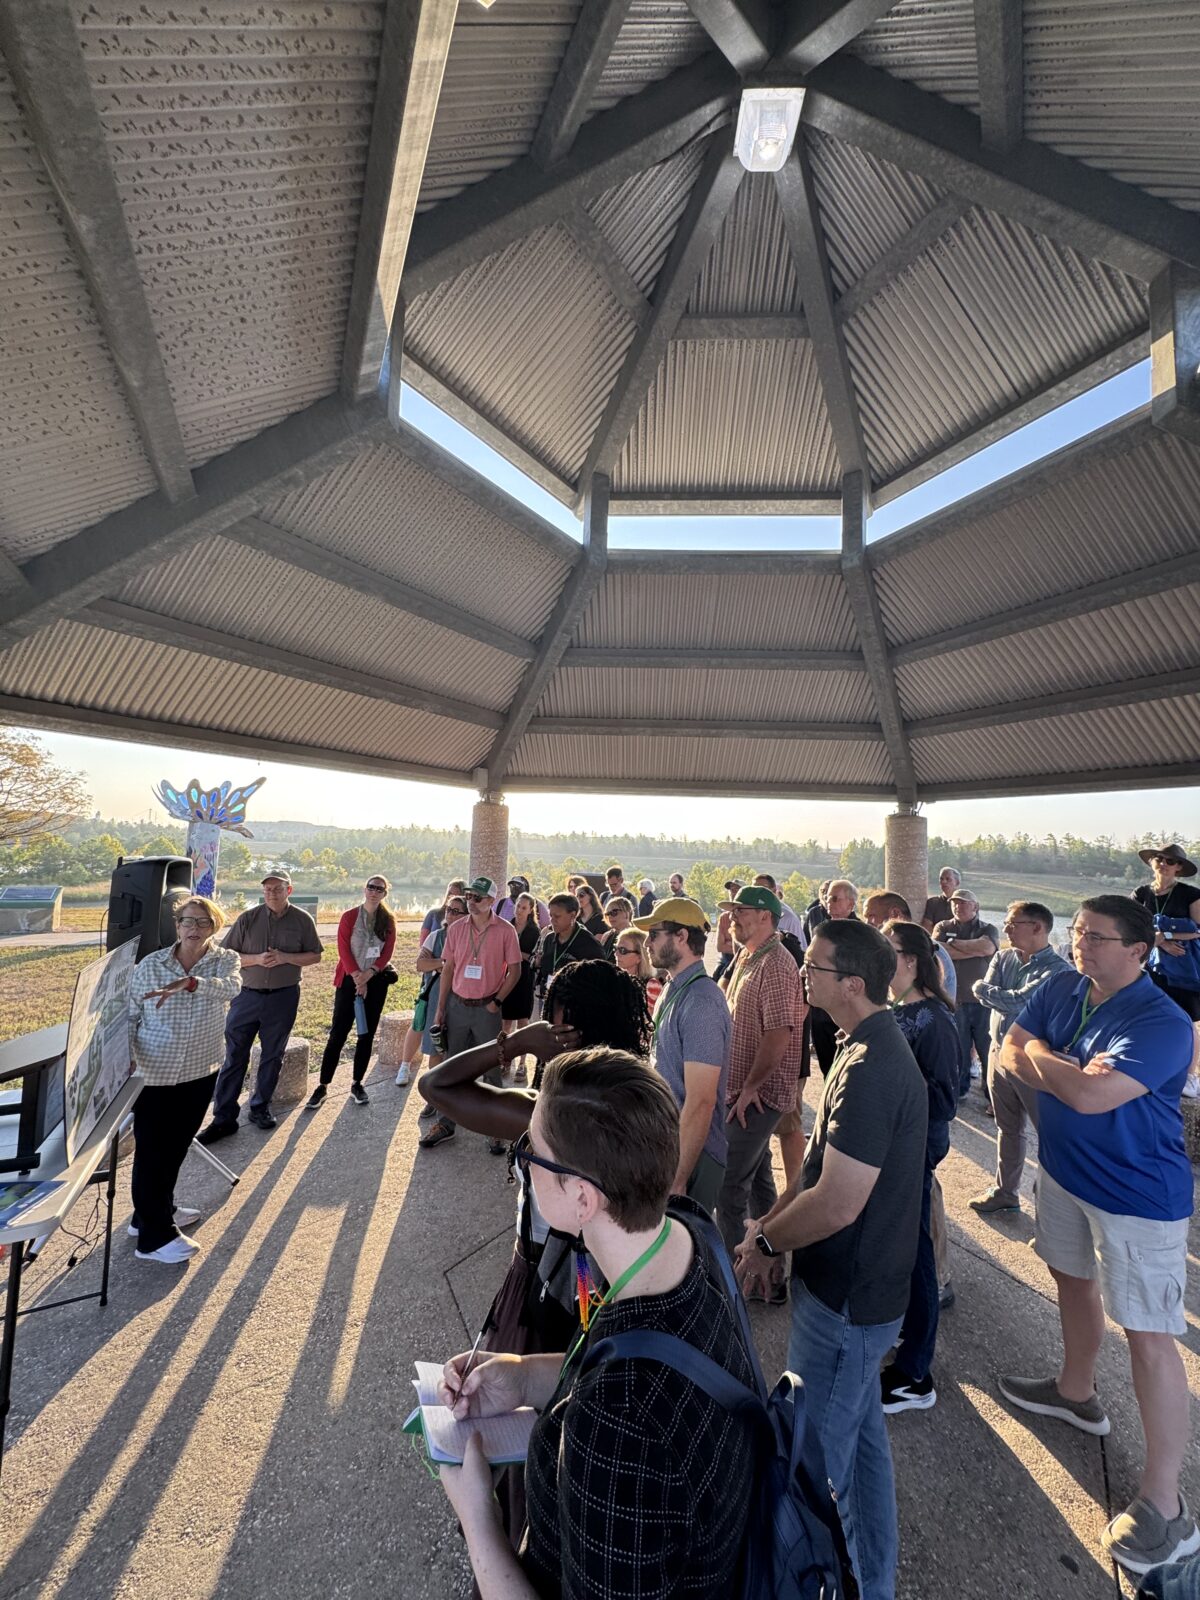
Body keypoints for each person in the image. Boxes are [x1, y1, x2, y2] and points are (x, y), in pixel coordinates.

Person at [435, 1050, 758, 1600]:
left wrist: (479, 1520)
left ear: (582, 1197)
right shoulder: (687, 1235)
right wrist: (521, 1376)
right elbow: (640, 1352)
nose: (523, 1164)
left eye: (531, 1152)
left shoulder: (615, 1427)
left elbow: (632, 1393)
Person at [996, 896, 1198, 1579]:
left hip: (1138, 1198)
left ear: (1139, 951)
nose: (1081, 945)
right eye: (1078, 932)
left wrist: (1040, 1056)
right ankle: (1076, 1391)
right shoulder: (1060, 985)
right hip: (1064, 1174)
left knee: (1148, 1334)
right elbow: (1007, 1047)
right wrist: (1053, 1060)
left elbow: (1088, 1098)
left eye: (1098, 937)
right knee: (1069, 1279)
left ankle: (1166, 1505)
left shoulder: (1162, 1021)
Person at [734, 918, 926, 1600]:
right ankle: (873, 1585)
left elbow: (841, 1202)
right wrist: (768, 1226)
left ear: (850, 983)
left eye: (812, 968)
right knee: (864, 1451)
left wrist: (764, 1244)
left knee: (817, 1472)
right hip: (846, 1297)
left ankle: (817, 1582)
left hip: (848, 1303)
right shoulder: (859, 1043)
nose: (802, 974)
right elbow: (814, 1176)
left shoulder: (874, 1066)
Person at [127, 895, 242, 1263]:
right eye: (187, 922)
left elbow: (231, 988)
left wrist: (192, 984)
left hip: (199, 1071)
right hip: (154, 1072)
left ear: (215, 927)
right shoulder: (151, 965)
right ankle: (153, 1239)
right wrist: (125, 1060)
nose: (194, 929)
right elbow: (129, 1016)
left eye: (203, 923)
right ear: (176, 925)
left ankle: (150, 1214)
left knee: (174, 1148)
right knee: (151, 1152)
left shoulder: (225, 960)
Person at [878, 919, 959, 1414]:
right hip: (894, 1147)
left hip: (913, 1148)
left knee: (918, 1256)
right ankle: (908, 1332)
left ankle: (915, 1374)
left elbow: (945, 1099)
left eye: (888, 951)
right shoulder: (900, 1010)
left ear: (909, 960)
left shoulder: (934, 1019)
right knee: (904, 1251)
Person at [714, 885, 805, 1303]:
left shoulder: (778, 964)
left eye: (742, 912)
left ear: (766, 916)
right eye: (732, 912)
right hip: (744, 1091)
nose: (733, 919)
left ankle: (739, 1279)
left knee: (728, 1188)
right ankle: (773, 1277)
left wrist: (750, 1086)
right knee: (759, 1181)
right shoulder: (749, 955)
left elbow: (779, 1033)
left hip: (759, 1095)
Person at [198, 871, 323, 1143]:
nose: (271, 894)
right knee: (234, 1056)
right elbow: (227, 958)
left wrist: (285, 957)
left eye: (277, 889)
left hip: (283, 997)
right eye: (267, 889)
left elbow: (315, 956)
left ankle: (259, 1107)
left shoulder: (303, 920)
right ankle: (223, 1118)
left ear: (289, 891)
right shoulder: (248, 918)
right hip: (246, 996)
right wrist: (256, 959)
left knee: (272, 1055)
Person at [969, 901, 1070, 1214]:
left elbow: (1018, 1002)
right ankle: (1006, 1192)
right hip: (997, 1051)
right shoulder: (1004, 956)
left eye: (1013, 924)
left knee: (1049, 1139)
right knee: (1007, 1127)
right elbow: (983, 991)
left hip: (1033, 1061)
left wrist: (988, 991)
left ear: (1038, 927)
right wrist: (989, 992)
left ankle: (1048, 1213)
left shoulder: (1058, 971)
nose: (1006, 929)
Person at [635, 897, 730, 1212]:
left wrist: (677, 1179)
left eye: (654, 933)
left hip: (692, 1153)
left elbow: (702, 1101)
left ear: (682, 937)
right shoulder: (673, 987)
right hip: (670, 1143)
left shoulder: (702, 1001)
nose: (647, 942)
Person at [423, 876, 522, 1153]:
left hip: (487, 1008)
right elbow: (448, 969)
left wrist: (497, 1002)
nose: (471, 902)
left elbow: (515, 971)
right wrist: (440, 1010)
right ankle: (446, 1123)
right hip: (457, 1005)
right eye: (469, 897)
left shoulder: (505, 931)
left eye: (477, 897)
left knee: (491, 1068)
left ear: (491, 900)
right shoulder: (455, 929)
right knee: (452, 1066)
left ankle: (496, 1129)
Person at [308, 876, 396, 1111]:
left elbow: (387, 952)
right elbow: (342, 948)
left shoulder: (388, 920)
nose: (374, 892)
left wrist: (370, 974)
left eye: (380, 889)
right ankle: (323, 1085)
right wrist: (357, 976)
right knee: (338, 1033)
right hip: (349, 980)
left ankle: (357, 1083)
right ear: (364, 889)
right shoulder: (349, 917)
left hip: (375, 982)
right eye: (371, 887)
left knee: (365, 1035)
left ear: (385, 894)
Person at [933, 888, 999, 1100]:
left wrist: (953, 945)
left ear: (975, 907)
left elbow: (987, 948)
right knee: (958, 1049)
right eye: (955, 903)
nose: (957, 906)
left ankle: (992, 1094)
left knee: (987, 1049)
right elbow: (937, 951)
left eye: (962, 903)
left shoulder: (988, 928)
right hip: (954, 1000)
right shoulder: (942, 926)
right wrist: (971, 949)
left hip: (983, 1002)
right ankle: (959, 1091)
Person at [410, 894, 467, 1109]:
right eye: (448, 910)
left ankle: (453, 1095)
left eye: (455, 911)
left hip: (461, 999)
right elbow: (420, 964)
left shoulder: (470, 937)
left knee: (457, 1049)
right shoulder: (436, 936)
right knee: (436, 1048)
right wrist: (444, 963)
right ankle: (432, 1097)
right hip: (436, 998)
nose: (449, 914)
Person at [1134, 843, 1200, 1021]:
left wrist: (1166, 936)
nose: (1163, 863)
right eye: (1159, 859)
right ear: (1151, 862)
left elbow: (1198, 930)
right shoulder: (1140, 894)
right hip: (1150, 964)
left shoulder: (1192, 894)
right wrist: (1161, 942)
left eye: (1170, 861)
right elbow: (1131, 927)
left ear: (1178, 867)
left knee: (1183, 1017)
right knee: (1150, 1014)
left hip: (1183, 965)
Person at [807, 878, 858, 1077]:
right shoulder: (821, 930)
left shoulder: (861, 934)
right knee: (827, 1067)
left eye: (835, 899)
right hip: (821, 1011)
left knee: (847, 1069)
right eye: (828, 899)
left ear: (851, 904)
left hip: (847, 1010)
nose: (829, 903)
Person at [533, 893, 607, 1005]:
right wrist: (537, 963)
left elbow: (600, 979)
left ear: (572, 915)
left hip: (575, 1006)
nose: (552, 920)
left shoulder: (589, 944)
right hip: (548, 1001)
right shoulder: (549, 939)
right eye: (551, 916)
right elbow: (543, 969)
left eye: (557, 916)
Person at [502, 893, 540, 1081]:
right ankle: (505, 1059)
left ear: (531, 910)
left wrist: (515, 953)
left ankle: (523, 1064)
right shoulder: (506, 926)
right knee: (505, 1023)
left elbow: (533, 958)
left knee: (522, 1023)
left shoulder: (534, 931)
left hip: (524, 979)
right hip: (506, 977)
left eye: (524, 907)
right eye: (518, 906)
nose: (519, 910)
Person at [755, 872, 805, 942]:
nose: (757, 893)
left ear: (774, 891)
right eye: (754, 889)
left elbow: (801, 948)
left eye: (763, 889)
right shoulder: (749, 912)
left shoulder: (788, 917)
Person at [712, 876, 741, 983]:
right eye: (731, 890)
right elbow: (719, 947)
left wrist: (728, 943)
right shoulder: (724, 917)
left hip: (741, 959)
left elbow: (747, 947)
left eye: (736, 890)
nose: (732, 893)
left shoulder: (749, 917)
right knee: (716, 976)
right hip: (725, 959)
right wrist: (735, 945)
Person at [922, 865, 962, 932]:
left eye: (948, 879)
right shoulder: (932, 902)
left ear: (957, 883)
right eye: (941, 879)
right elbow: (927, 927)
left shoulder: (965, 903)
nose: (943, 882)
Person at [598, 892, 634, 958]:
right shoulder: (606, 936)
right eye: (607, 914)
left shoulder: (636, 936)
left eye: (614, 912)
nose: (610, 916)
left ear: (626, 913)